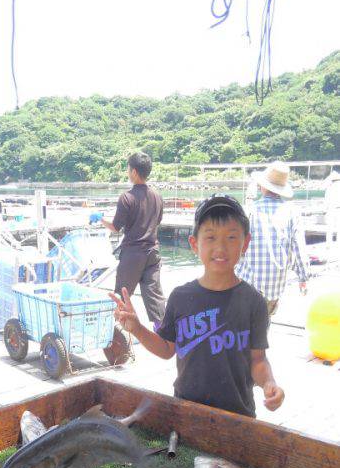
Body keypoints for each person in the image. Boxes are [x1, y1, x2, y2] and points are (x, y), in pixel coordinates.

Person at [110, 195, 284, 418]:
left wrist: (269, 383)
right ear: (194, 244)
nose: (220, 247)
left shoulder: (254, 302)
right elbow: (166, 349)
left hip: (238, 413)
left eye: (231, 237)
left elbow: (257, 360)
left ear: (245, 243)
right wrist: (136, 328)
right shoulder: (181, 297)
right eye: (210, 237)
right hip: (186, 409)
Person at [90, 152, 166, 328]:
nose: (127, 171)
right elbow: (158, 222)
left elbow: (116, 227)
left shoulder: (127, 197)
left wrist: (100, 218)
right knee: (155, 298)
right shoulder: (158, 196)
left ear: (134, 172)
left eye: (128, 168)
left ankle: (115, 333)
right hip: (153, 253)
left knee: (122, 296)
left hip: (133, 254)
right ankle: (163, 333)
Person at [236, 161, 308, 316]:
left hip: (248, 283)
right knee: (263, 327)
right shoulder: (292, 212)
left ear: (262, 186)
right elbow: (299, 249)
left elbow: (237, 246)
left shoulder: (250, 211)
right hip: (274, 287)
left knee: (242, 330)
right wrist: (303, 277)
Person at [324, 170, 340, 249]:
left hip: (330, 209)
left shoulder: (329, 187)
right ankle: (338, 244)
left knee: (329, 228)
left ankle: (328, 244)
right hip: (338, 209)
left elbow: (326, 200)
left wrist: (325, 209)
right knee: (338, 228)